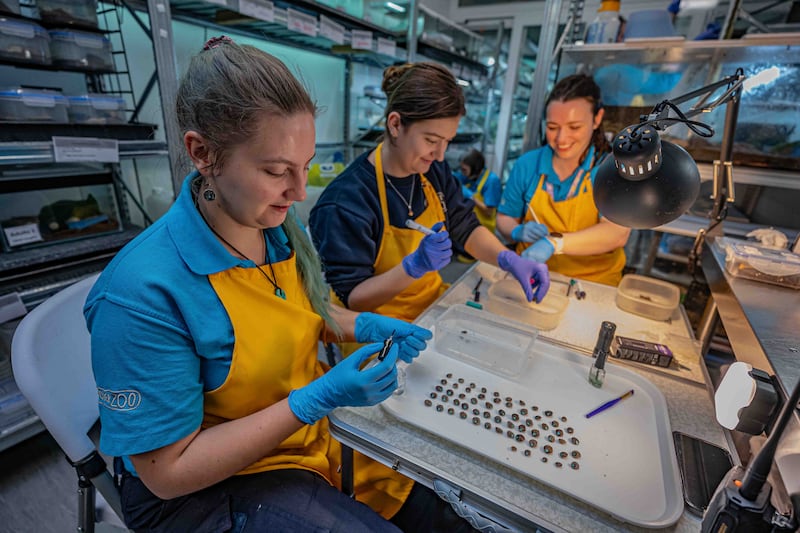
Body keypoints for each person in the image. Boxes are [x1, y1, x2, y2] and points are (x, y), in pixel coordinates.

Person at [83, 37, 472, 533]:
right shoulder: (141, 294)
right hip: (205, 491)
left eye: (305, 166)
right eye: (275, 171)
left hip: (296, 444)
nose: (299, 190)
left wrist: (366, 325)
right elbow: (167, 473)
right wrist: (315, 398)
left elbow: (304, 311)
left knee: (446, 507)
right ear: (202, 152)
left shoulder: (277, 229)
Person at [309, 62, 550, 326]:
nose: (440, 154)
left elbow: (464, 226)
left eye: (447, 141)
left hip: (431, 310)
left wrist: (508, 259)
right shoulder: (346, 202)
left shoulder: (432, 171)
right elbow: (354, 299)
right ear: (396, 124)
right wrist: (412, 267)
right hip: (378, 332)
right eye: (431, 141)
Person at [496, 74, 630, 286]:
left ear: (597, 119)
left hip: (594, 285)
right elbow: (504, 217)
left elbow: (616, 233)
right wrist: (516, 230)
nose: (561, 139)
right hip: (532, 276)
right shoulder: (527, 165)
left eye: (574, 127)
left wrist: (553, 243)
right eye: (552, 127)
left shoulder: (610, 170)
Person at [456, 148, 502, 235]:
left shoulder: (491, 181)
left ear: (475, 169)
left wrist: (471, 197)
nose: (462, 173)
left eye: (464, 170)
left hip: (483, 230)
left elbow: (489, 212)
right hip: (468, 227)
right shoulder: (469, 177)